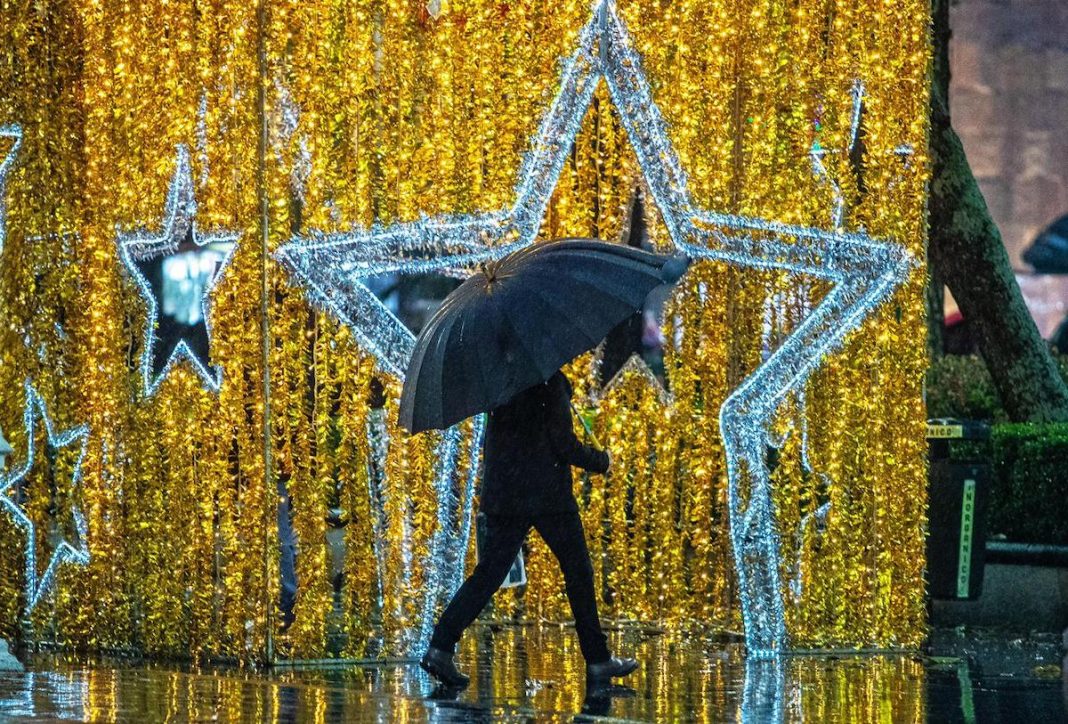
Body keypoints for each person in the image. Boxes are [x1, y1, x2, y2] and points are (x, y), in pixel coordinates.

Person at [420, 370, 638, 688]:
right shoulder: (550, 380)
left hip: (506, 493)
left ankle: (440, 647)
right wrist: (600, 460)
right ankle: (597, 659)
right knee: (578, 571)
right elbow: (564, 444)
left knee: (488, 575)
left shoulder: (497, 381)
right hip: (548, 496)